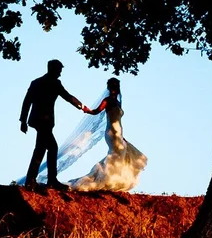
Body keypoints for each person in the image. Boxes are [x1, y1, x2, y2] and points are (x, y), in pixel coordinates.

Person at [69, 78, 148, 193]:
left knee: (121, 155)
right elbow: (96, 111)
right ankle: (107, 180)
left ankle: (113, 180)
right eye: (112, 87)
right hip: (112, 133)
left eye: (114, 87)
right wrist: (86, 110)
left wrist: (122, 136)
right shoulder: (107, 100)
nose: (113, 89)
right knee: (116, 155)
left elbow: (119, 121)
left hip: (119, 133)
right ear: (109, 88)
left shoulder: (118, 102)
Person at [20, 59, 86, 191]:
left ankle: (41, 180)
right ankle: (39, 181)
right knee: (44, 149)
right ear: (53, 69)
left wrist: (23, 121)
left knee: (46, 148)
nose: (60, 74)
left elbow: (27, 102)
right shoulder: (55, 83)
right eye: (59, 71)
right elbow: (68, 96)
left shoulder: (36, 82)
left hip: (38, 121)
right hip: (44, 121)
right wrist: (82, 106)